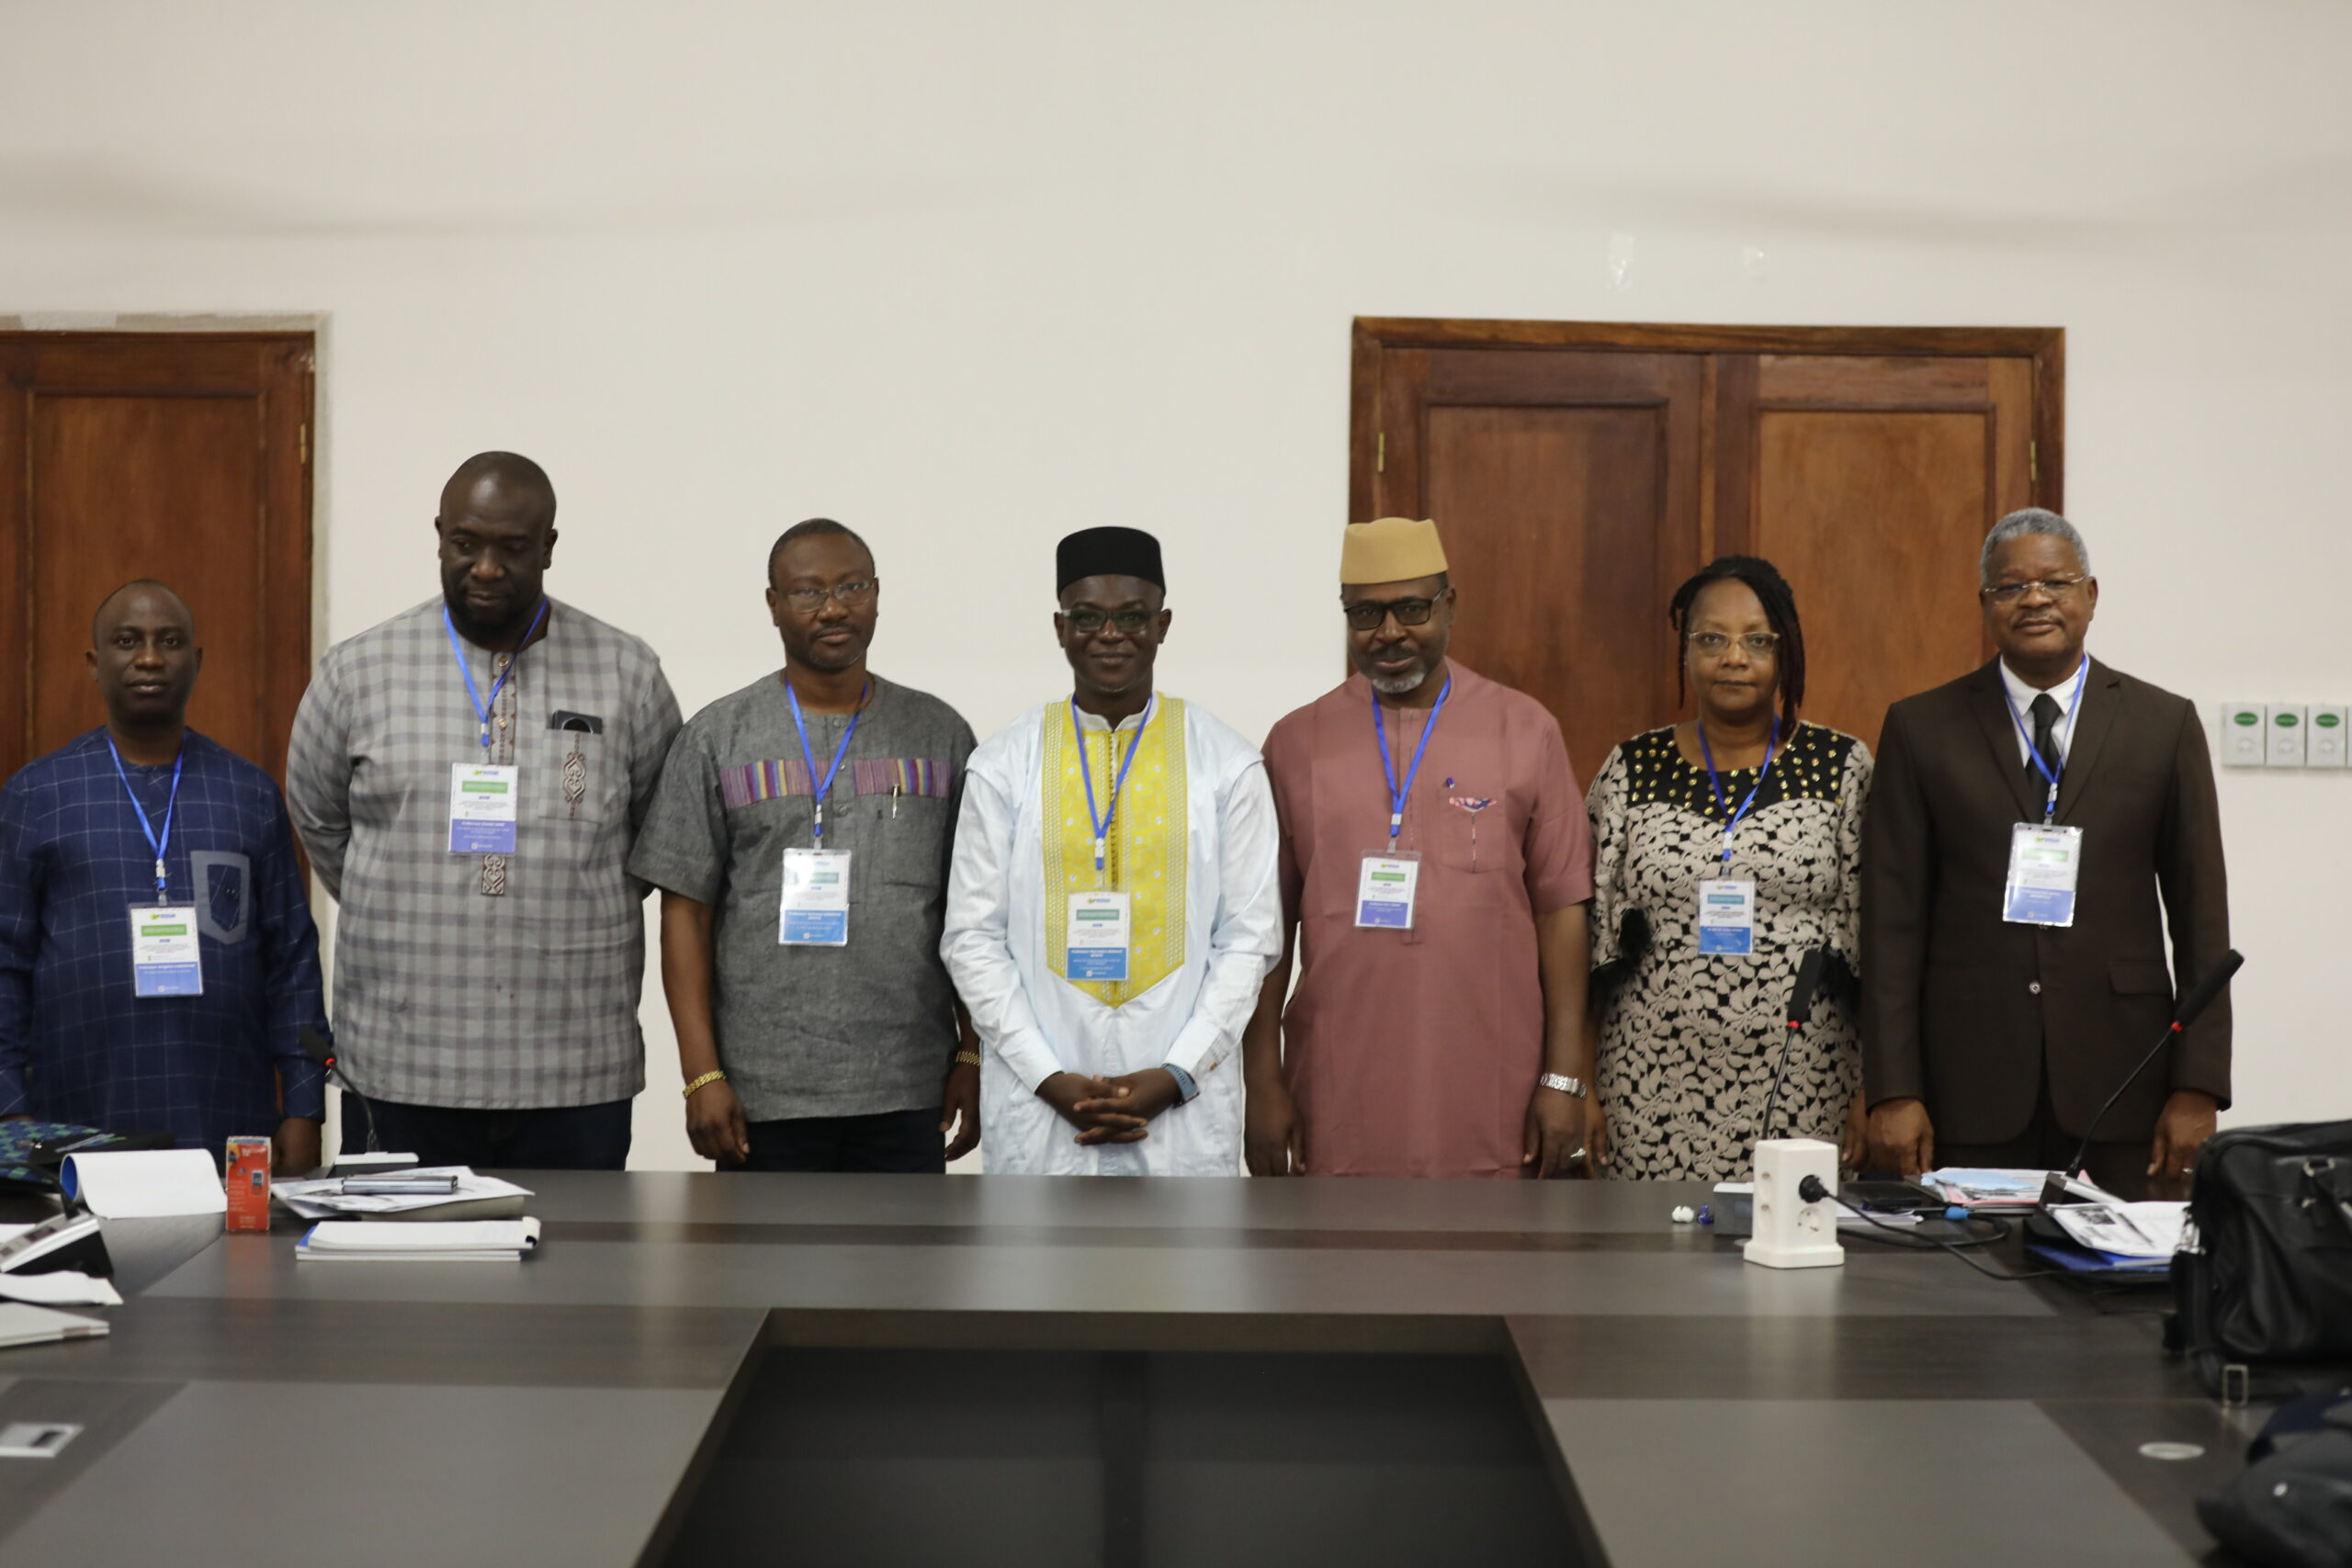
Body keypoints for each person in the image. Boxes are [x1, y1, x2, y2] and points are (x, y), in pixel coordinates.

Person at [286, 452, 682, 1170]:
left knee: (581, 1248)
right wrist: (408, 889)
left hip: (575, 1068)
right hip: (403, 1065)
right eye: (466, 543)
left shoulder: (627, 673)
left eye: (513, 547)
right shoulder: (358, 671)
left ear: (549, 547)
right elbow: (319, 820)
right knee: (402, 1249)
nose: (488, 567)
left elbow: (658, 838)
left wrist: (557, 893)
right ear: (440, 536)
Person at [1863, 509, 2230, 1201]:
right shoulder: (1921, 727)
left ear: (2090, 595)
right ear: (1985, 604)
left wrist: (2199, 1084)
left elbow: (2202, 919)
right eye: (2011, 587)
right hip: (1965, 1084)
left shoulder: (2163, 724)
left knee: (2119, 1268)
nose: (2034, 599)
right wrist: (1893, 1088)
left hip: (2125, 1081)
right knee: (1970, 1269)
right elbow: (1890, 924)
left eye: (2055, 582)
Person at [1244, 516, 1595, 1179]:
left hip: (1496, 1080)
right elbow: (1265, 929)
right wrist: (1261, 1080)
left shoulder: (1525, 730)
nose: (1389, 632)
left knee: (1491, 1241)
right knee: (1340, 1241)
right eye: (1365, 614)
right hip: (1338, 1081)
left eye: (1412, 608)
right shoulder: (1296, 742)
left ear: (1449, 605)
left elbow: (1562, 913)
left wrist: (1565, 1077)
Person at [630, 519, 980, 1171]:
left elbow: (972, 911)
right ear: (773, 604)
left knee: (910, 1246)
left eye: (852, 587)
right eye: (808, 591)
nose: (833, 608)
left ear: (877, 593)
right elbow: (685, 913)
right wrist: (701, 1075)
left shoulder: (941, 735)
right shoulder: (717, 738)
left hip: (909, 1085)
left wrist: (971, 1050)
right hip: (760, 1093)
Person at [941, 526, 1280, 1175]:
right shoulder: (1004, 764)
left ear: (1162, 625)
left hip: (1182, 1115)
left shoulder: (1226, 765)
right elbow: (972, 939)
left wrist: (1177, 1073)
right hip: (1041, 1111)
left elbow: (1250, 939)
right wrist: (1048, 1077)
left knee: (1185, 1248)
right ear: (1060, 628)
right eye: (1087, 617)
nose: (1110, 635)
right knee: (1036, 1247)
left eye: (1132, 617)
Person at [0, 581, 327, 1170]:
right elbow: (4, 963)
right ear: (94, 663)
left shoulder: (249, 795)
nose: (149, 658)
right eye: (128, 642)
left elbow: (293, 961)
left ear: (196, 662)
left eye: (169, 642)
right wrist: (8, 1108)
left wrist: (305, 1107)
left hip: (227, 1113)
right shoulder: (37, 796)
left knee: (231, 1237)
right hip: (72, 1114)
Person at [1579, 557, 1869, 1181]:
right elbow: (1589, 937)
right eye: (1712, 638)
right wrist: (1580, 1084)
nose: (1734, 657)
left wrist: (1871, 1090)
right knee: (1652, 1242)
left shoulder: (1841, 766)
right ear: (1685, 652)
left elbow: (1874, 938)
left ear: (1786, 652)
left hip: (1806, 1077)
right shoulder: (1632, 767)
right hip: (1648, 1079)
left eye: (1757, 640)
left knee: (1791, 1237)